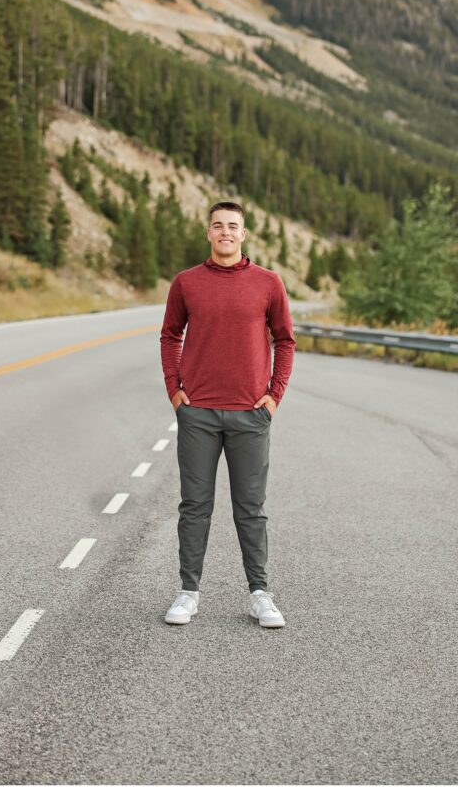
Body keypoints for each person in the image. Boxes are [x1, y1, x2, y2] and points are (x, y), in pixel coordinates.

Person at [159, 201, 296, 629]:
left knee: (250, 509)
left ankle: (260, 594)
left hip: (250, 415)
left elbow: (285, 340)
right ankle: (188, 593)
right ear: (208, 232)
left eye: (233, 226)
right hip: (197, 413)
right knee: (194, 506)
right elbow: (170, 335)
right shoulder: (186, 283)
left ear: (244, 233)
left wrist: (274, 396)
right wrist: (176, 392)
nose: (225, 232)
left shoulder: (268, 283)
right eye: (218, 225)